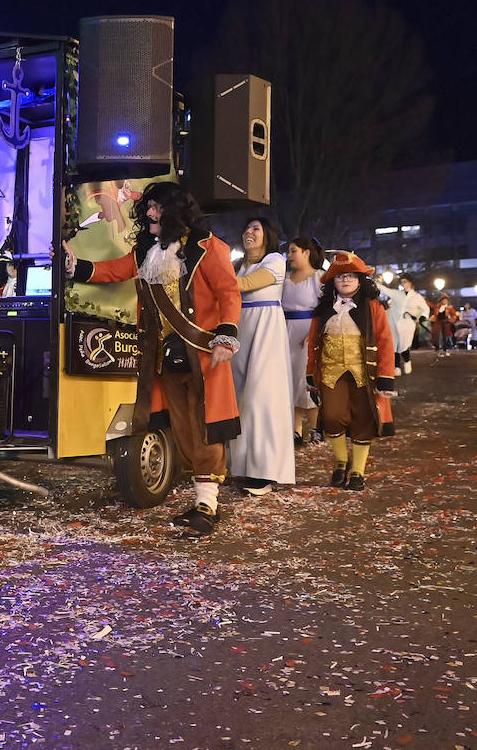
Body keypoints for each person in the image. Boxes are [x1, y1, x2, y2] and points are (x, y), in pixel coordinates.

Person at [64, 181, 240, 538]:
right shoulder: (145, 250)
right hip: (164, 359)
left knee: (205, 427)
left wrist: (226, 335)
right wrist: (76, 267)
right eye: (148, 208)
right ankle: (202, 500)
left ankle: (208, 506)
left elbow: (228, 292)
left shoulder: (209, 248)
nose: (149, 214)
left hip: (203, 356)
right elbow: (114, 270)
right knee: (183, 431)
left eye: (156, 208)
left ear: (175, 210)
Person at [306, 252, 396, 491]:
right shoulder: (324, 309)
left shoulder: (374, 308)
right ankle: (340, 461)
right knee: (332, 417)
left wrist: (386, 378)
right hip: (329, 371)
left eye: (351, 276)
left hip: (364, 373)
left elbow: (386, 341)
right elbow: (314, 342)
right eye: (340, 277)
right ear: (333, 281)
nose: (345, 280)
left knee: (363, 419)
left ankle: (358, 470)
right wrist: (309, 373)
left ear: (360, 280)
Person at [228, 218, 294, 496]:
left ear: (267, 235)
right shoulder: (237, 264)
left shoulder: (276, 260)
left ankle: (265, 471)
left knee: (262, 398)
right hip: (241, 325)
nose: (248, 232)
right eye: (246, 228)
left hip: (266, 327)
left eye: (255, 228)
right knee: (239, 397)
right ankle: (241, 466)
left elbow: (245, 285)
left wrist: (211, 273)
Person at [281, 237, 324, 444]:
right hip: (285, 332)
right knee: (289, 381)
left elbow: (328, 309)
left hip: (309, 332)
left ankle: (316, 428)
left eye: (293, 251)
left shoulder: (320, 278)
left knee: (307, 380)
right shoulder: (284, 278)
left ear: (306, 252)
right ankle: (295, 429)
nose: (289, 256)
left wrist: (315, 332)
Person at [393, 277, 430, 374]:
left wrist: (422, 316)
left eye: (405, 281)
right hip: (396, 322)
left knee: (404, 344)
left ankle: (406, 361)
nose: (403, 284)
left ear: (410, 283)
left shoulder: (417, 296)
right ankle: (396, 366)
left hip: (409, 323)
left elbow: (425, 308)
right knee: (395, 344)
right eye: (401, 282)